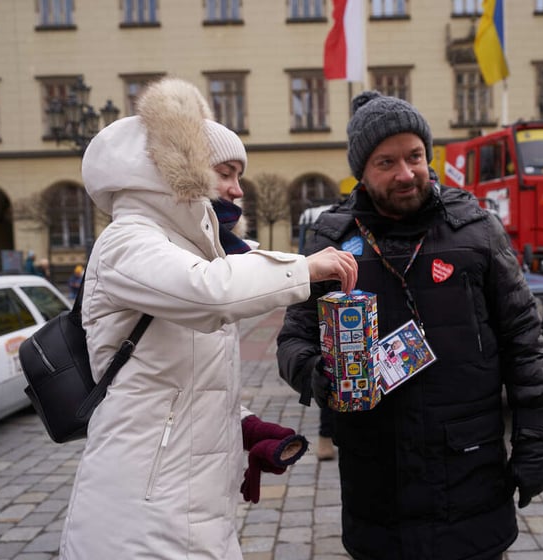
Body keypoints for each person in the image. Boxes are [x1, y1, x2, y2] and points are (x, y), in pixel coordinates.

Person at [58, 77, 357, 559]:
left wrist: (246, 426)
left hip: (190, 498)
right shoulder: (128, 240)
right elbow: (210, 293)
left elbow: (171, 384)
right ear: (183, 168)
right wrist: (304, 266)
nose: (238, 190)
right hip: (139, 508)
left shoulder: (184, 249)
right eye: (226, 172)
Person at [276, 91, 543, 560]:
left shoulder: (476, 229)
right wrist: (318, 376)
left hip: (470, 470)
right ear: (361, 172)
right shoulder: (332, 238)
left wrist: (533, 440)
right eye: (387, 162)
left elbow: (524, 341)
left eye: (415, 156)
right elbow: (292, 339)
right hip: (376, 480)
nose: (406, 173)